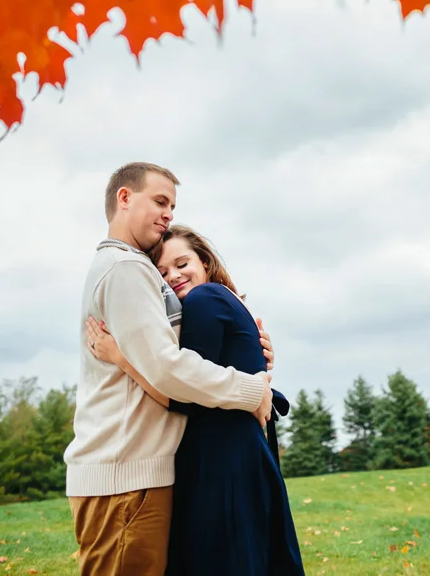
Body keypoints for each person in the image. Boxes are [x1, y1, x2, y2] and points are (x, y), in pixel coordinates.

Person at [65, 162, 275, 576]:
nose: (168, 214)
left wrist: (252, 349)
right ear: (124, 198)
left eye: (173, 206)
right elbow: (167, 368)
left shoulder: (133, 269)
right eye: (160, 201)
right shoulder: (126, 268)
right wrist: (251, 389)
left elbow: (166, 357)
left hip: (135, 472)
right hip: (124, 475)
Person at [87, 224, 305, 576]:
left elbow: (183, 393)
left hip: (223, 462)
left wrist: (120, 357)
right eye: (162, 273)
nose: (174, 276)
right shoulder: (223, 299)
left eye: (182, 263)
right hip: (238, 454)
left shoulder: (205, 300)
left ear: (204, 261)